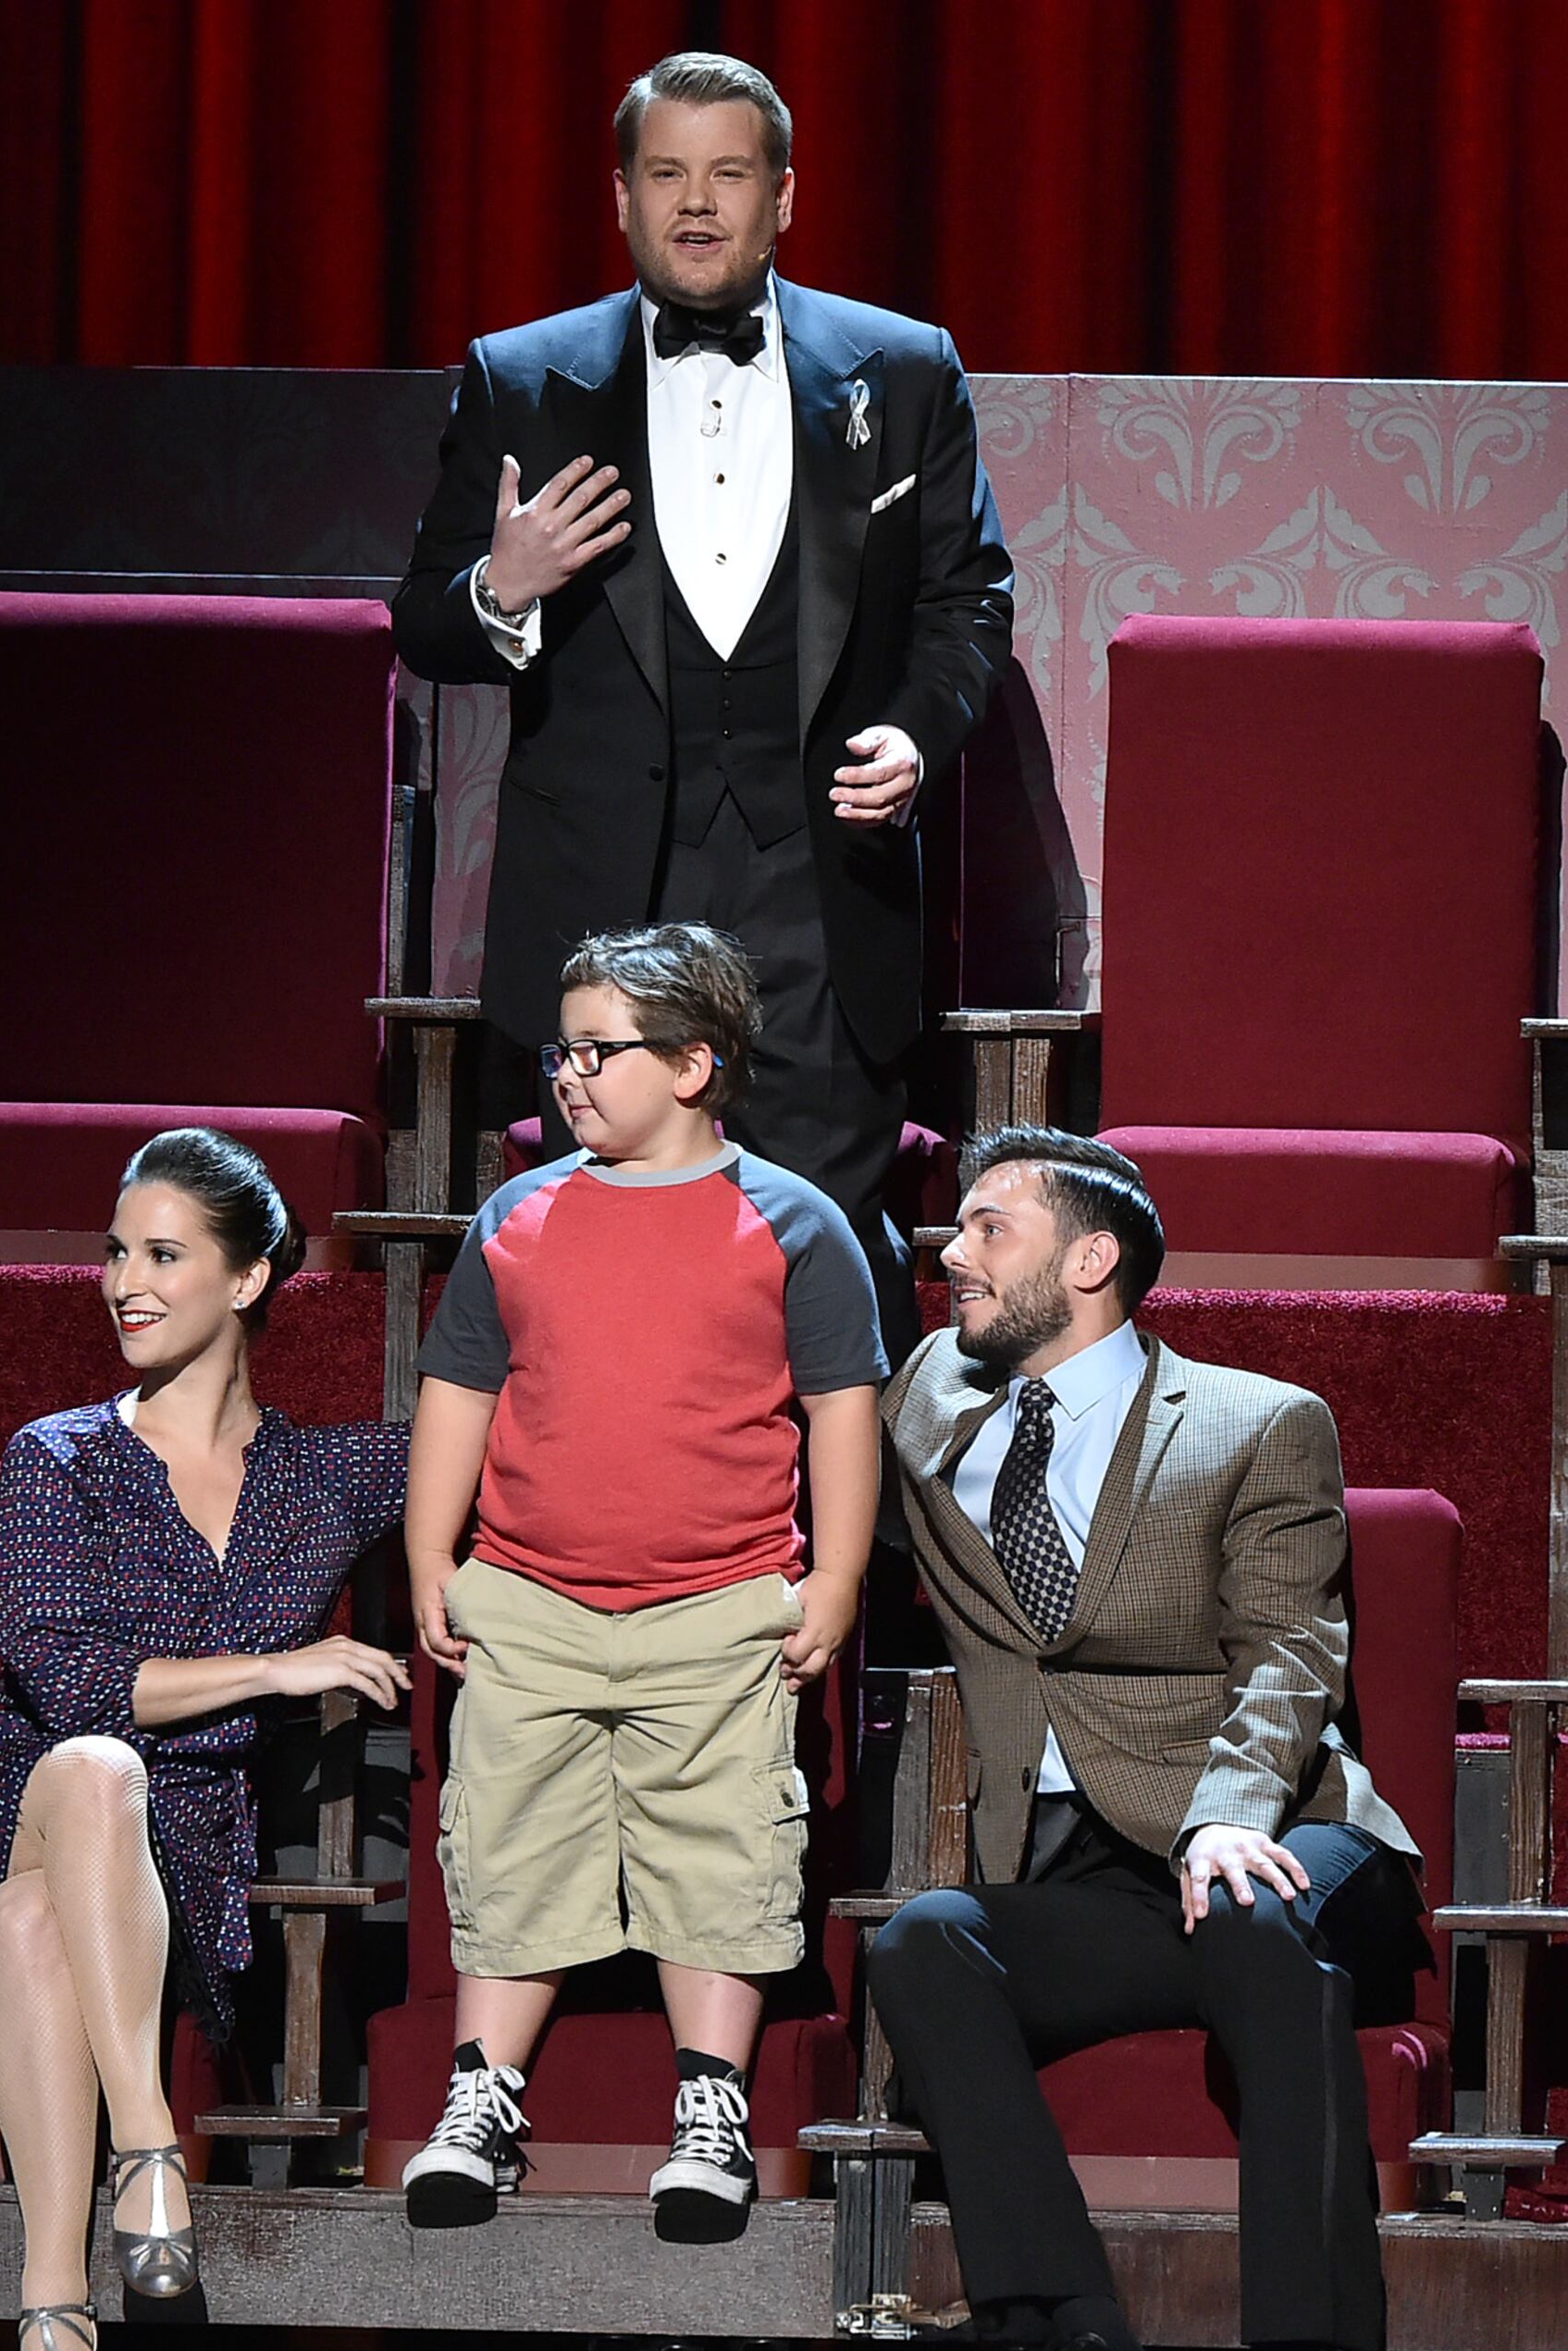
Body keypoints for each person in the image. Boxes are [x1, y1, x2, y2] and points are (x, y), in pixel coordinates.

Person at [391, 47, 1015, 1371]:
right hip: (605, 912)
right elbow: (426, 622)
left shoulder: (902, 372)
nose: (696, 203)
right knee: (617, 1287)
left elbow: (968, 606)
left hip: (825, 909)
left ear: (782, 195)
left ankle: (832, 1578)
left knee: (825, 1287)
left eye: (728, 174)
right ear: (620, 195)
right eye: (666, 173)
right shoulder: (522, 377)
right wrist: (502, 587)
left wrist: (913, 731)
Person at [869, 1129, 1431, 2351]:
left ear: (1092, 1257)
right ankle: (1080, 2338)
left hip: (1282, 1827)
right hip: (1090, 1869)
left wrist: (1231, 1812)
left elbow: (1294, 1650)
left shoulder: (1256, 1422)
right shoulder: (930, 1402)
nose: (950, 1252)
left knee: (1251, 1915)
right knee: (924, 1942)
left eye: (988, 1228)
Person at [0, 1129, 411, 2351]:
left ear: (251, 1276)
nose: (124, 1280)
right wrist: (281, 1670)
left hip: (181, 1852)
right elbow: (76, 1686)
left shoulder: (324, 1476)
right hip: (7, 1800)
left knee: (35, 1925)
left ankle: (51, 2301)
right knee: (96, 1768)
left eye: (163, 1253)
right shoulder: (59, 1453)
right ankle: (150, 2147)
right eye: (118, 1251)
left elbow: (502, 1436)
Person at [398, 922, 885, 2244]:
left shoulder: (791, 1219)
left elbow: (843, 1409)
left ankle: (711, 2110)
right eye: (562, 1048)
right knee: (508, 1835)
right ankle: (481, 2093)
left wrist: (834, 1574)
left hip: (718, 1603)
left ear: (693, 1064)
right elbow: (459, 1390)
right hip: (534, 1597)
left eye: (598, 1050)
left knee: (719, 1847)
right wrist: (428, 1553)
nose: (567, 1073)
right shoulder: (520, 1212)